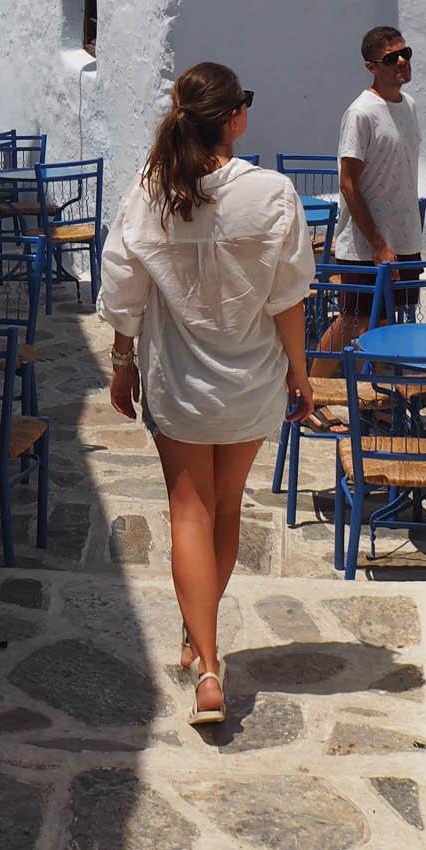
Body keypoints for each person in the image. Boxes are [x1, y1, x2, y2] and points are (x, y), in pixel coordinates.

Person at [98, 63, 317, 728]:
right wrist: (301, 374)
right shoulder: (272, 194)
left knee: (188, 512)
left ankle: (208, 661)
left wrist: (121, 359)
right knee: (226, 510)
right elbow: (288, 298)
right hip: (250, 379)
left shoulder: (152, 191)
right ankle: (204, 644)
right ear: (233, 117)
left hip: (180, 382)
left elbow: (123, 284)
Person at [323, 24, 423, 354]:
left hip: (405, 237)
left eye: (404, 54)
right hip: (366, 246)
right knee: (354, 320)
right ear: (371, 67)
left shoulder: (409, 105)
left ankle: (378, 396)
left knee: (388, 325)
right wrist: (378, 244)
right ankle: (306, 392)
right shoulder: (360, 113)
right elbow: (348, 185)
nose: (401, 62)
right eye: (391, 58)